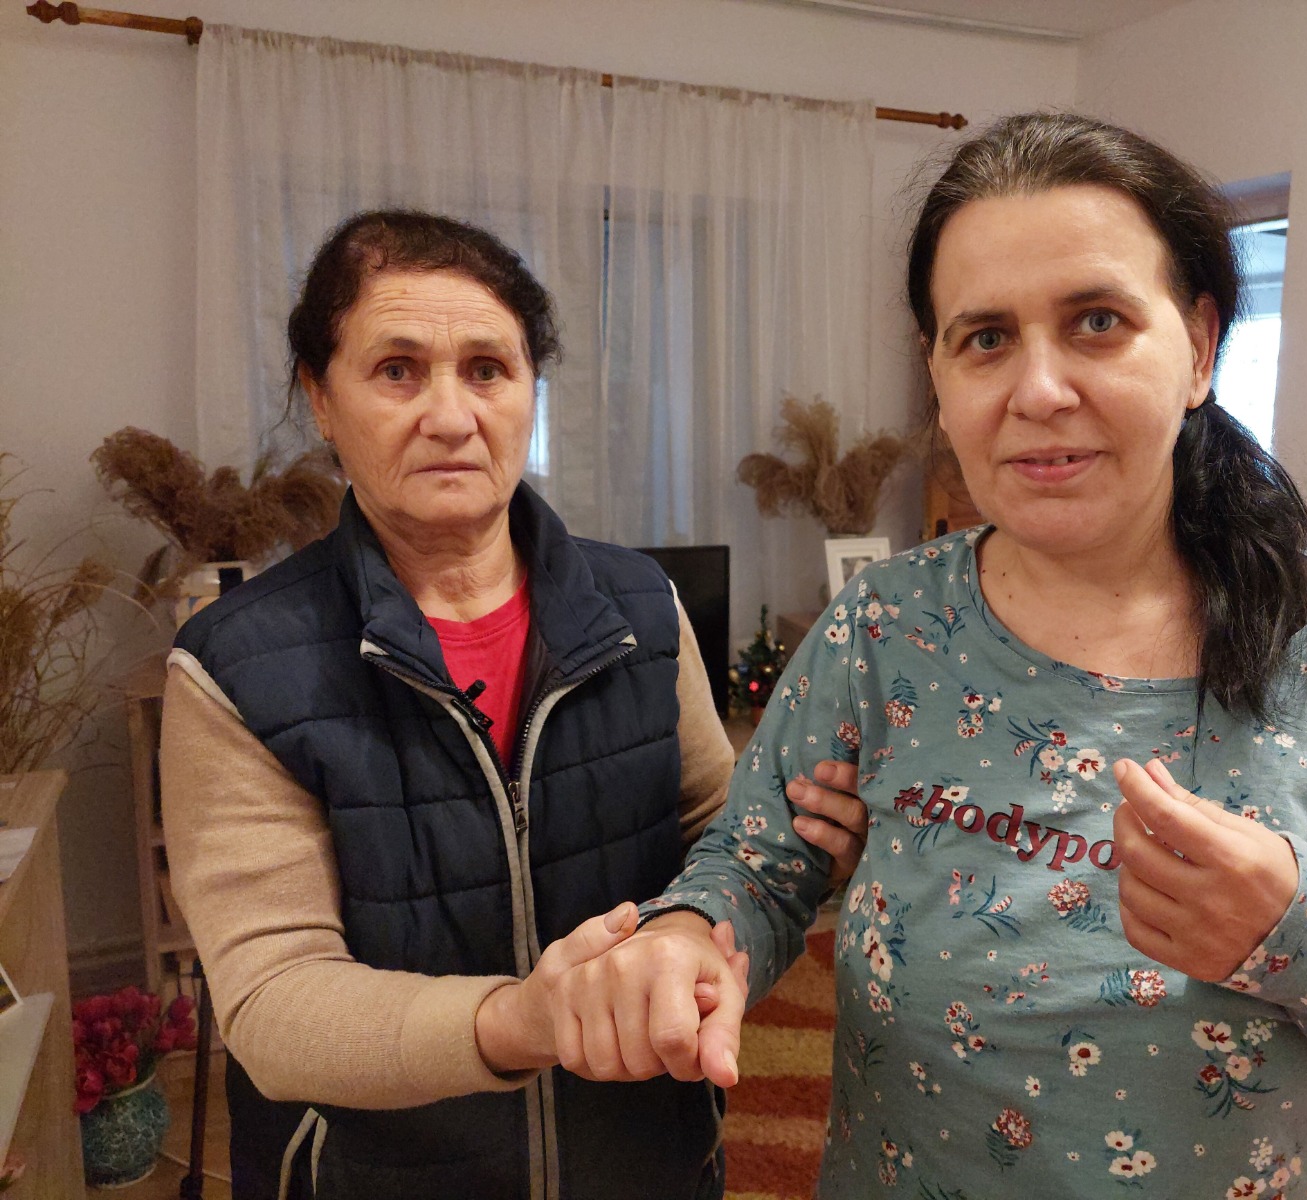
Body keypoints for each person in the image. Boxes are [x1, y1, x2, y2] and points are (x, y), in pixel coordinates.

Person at [554, 114, 1307, 1198]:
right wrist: (690, 935)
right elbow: (757, 864)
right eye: (985, 338)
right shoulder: (886, 628)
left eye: (1097, 322)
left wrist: (1301, 928)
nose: (1037, 391)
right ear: (939, 379)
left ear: (1198, 349)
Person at [159, 209, 866, 1200]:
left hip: (649, 1166)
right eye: (397, 370)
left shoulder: (639, 607)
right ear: (320, 397)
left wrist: (804, 856)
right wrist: (520, 1021)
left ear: (531, 389)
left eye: (488, 369)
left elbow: (721, 832)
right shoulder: (236, 667)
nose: (451, 416)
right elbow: (275, 1004)